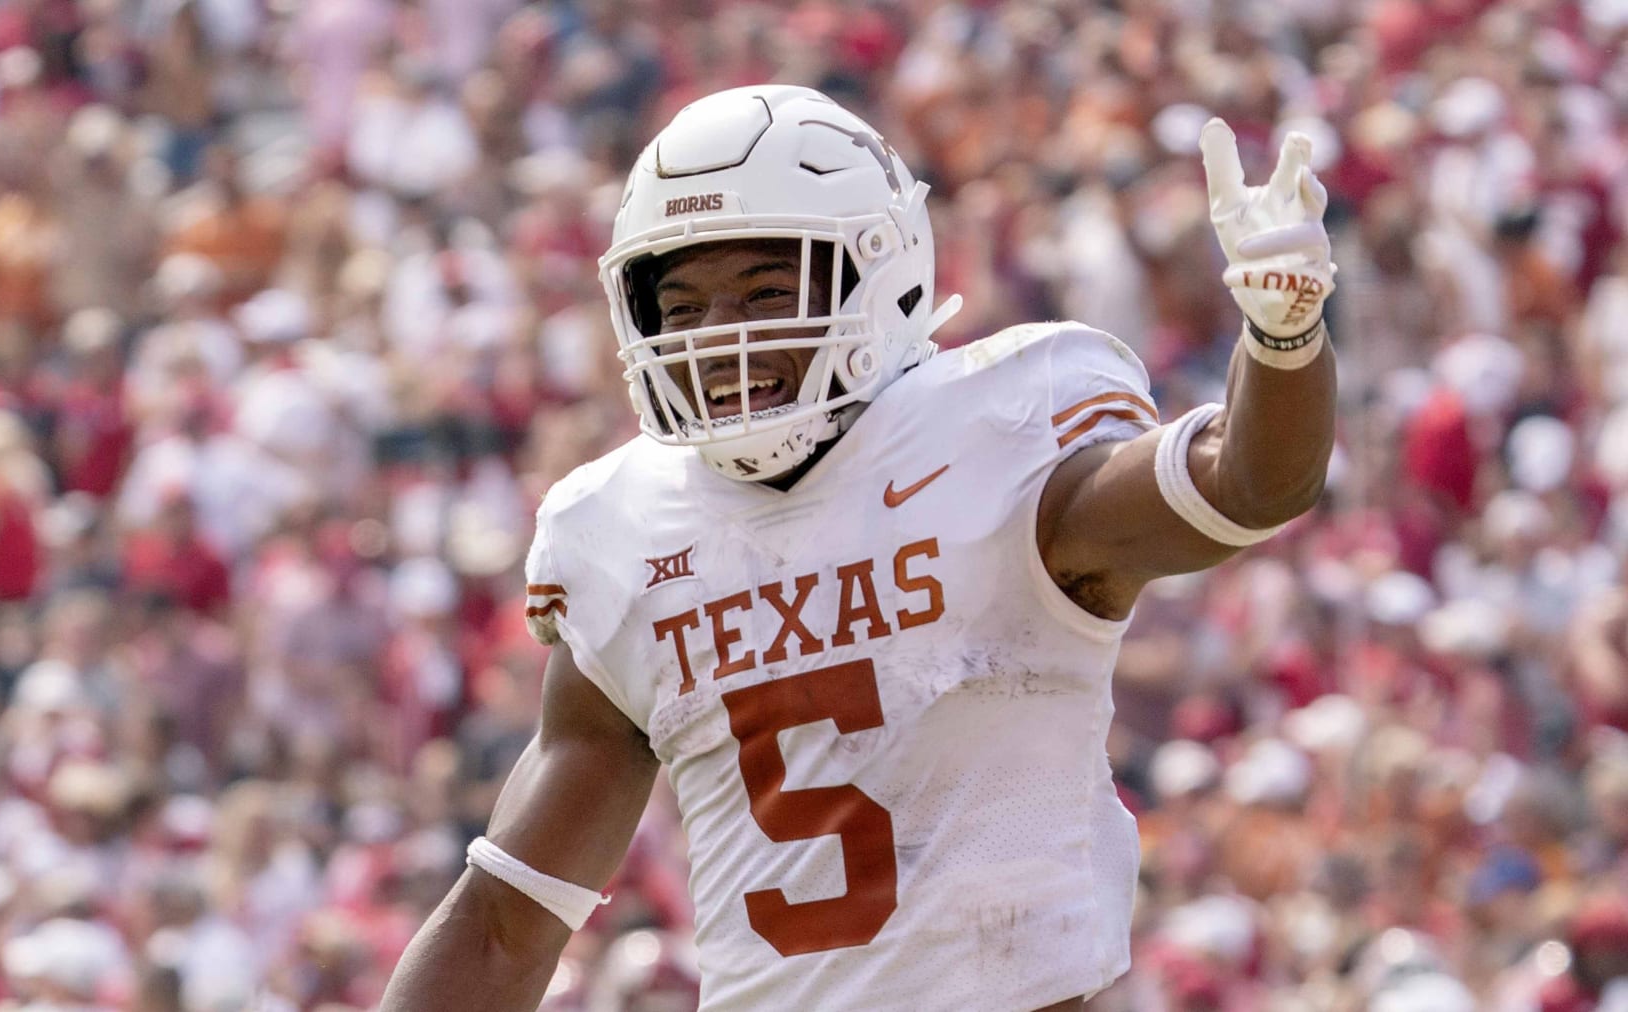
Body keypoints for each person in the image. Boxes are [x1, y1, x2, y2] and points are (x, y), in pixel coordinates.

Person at [379, 84, 1337, 1011]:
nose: (719, 341)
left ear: (881, 276)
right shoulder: (624, 535)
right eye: (683, 309)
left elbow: (1246, 485)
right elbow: (507, 919)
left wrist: (1283, 340)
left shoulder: (995, 441)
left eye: (761, 293)